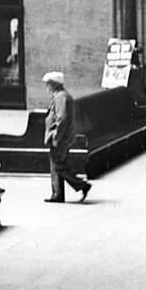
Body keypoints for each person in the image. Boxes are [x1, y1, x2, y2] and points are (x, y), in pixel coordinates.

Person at [42, 71, 92, 203]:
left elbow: (62, 119)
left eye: (48, 84)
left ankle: (82, 185)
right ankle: (57, 194)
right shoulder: (60, 96)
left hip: (60, 138)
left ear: (54, 84)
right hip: (60, 137)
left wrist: (56, 136)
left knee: (59, 166)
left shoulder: (61, 97)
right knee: (57, 166)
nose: (47, 86)